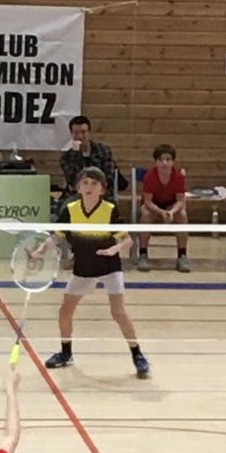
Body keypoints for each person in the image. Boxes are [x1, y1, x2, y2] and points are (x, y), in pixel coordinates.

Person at [37, 166, 150, 378]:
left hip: (109, 266)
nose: (89, 186)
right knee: (65, 311)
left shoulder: (109, 209)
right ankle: (66, 353)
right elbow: (57, 236)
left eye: (94, 183)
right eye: (85, 182)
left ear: (102, 189)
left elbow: (127, 240)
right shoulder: (70, 209)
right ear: (78, 187)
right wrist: (41, 249)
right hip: (83, 267)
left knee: (118, 312)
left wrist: (113, 249)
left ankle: (138, 355)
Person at [138, 144, 190, 272]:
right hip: (153, 204)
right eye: (160, 160)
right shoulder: (149, 176)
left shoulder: (179, 177)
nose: (164, 163)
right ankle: (143, 254)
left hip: (172, 204)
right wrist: (162, 213)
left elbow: (180, 201)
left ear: (173, 162)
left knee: (182, 216)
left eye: (168, 159)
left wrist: (171, 212)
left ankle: (182, 255)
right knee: (146, 215)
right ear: (156, 162)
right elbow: (148, 201)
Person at [60, 115, 116, 200]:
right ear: (71, 134)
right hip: (76, 196)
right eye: (76, 133)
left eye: (83, 132)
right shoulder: (66, 157)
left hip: (102, 195)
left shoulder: (103, 151)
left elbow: (108, 177)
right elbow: (73, 180)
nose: (80, 136)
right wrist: (77, 153)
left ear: (89, 133)